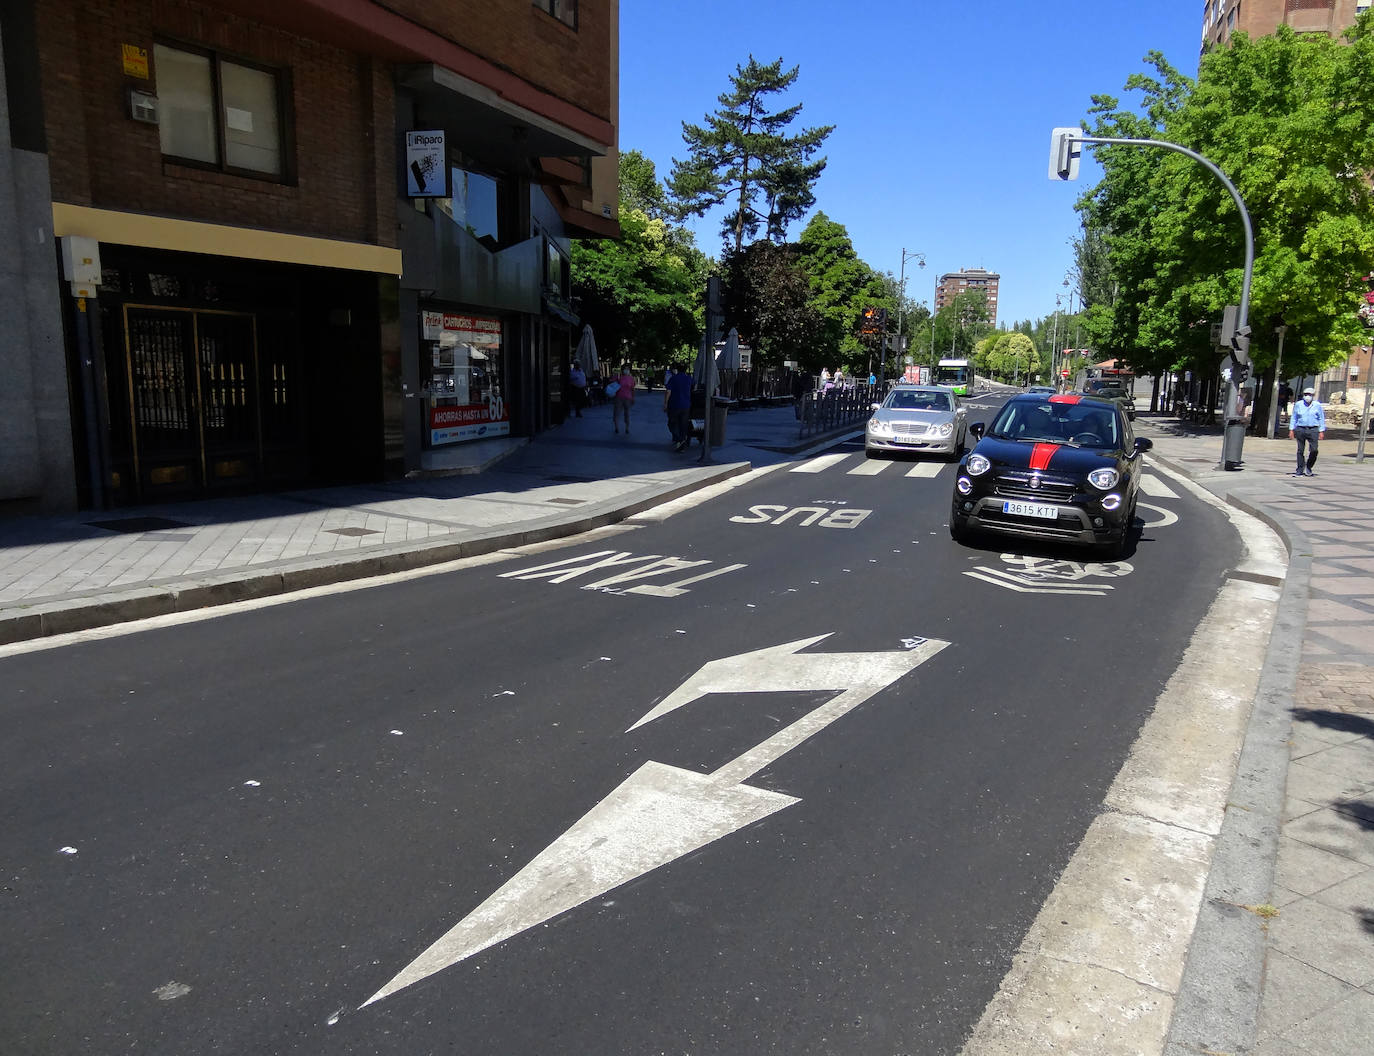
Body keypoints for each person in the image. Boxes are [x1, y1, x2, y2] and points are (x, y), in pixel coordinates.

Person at [1289, 386, 1325, 476]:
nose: (1307, 396)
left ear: (1313, 396)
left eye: (1310, 394)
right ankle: (1300, 469)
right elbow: (1294, 417)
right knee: (1300, 450)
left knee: (1314, 450)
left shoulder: (1317, 405)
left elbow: (1321, 418)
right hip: (1301, 428)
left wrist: (1321, 431)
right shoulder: (1298, 404)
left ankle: (1309, 466)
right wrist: (1291, 429)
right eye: (1306, 394)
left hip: (1313, 429)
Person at [663, 362, 694, 451]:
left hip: (674, 405)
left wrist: (665, 403)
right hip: (686, 405)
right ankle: (682, 443)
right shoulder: (689, 378)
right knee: (683, 425)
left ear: (677, 369)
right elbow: (694, 386)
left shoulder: (673, 378)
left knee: (672, 423)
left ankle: (679, 439)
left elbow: (668, 391)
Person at [612, 363, 636, 434]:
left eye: (628, 369)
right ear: (622, 370)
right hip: (618, 397)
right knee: (616, 413)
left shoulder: (631, 378)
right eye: (625, 369)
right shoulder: (618, 376)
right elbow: (612, 385)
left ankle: (627, 428)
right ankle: (616, 427)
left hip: (628, 398)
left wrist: (633, 398)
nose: (626, 370)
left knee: (627, 414)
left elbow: (632, 389)